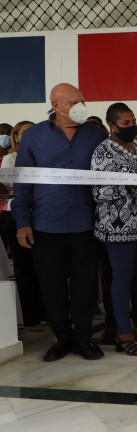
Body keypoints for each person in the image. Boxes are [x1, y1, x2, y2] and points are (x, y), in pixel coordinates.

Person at [12, 83, 106, 361]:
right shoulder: (34, 136)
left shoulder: (96, 135)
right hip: (45, 225)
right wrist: (22, 221)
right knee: (52, 286)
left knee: (86, 286)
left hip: (86, 224)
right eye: (75, 102)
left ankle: (83, 337)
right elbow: (22, 182)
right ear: (56, 105)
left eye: (82, 100)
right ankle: (62, 339)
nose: (81, 106)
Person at [91, 103, 137, 355]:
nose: (132, 126)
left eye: (133, 121)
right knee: (122, 278)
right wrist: (129, 184)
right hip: (116, 226)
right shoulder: (103, 151)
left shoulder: (136, 147)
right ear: (111, 125)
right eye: (126, 123)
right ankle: (123, 331)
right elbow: (99, 192)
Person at [1, 121, 45, 332]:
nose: (30, 135)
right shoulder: (10, 158)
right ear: (16, 136)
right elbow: (12, 184)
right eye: (25, 132)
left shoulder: (43, 156)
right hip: (17, 215)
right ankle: (30, 316)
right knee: (24, 267)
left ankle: (46, 312)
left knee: (43, 268)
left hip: (40, 215)